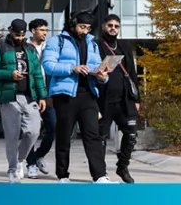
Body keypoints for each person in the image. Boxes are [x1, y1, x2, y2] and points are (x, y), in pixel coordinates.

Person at [42, 10, 115, 183]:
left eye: (88, 28)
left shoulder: (92, 43)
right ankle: (62, 174)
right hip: (65, 95)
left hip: (88, 94)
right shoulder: (56, 41)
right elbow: (48, 66)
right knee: (64, 135)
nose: (85, 31)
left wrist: (103, 76)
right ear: (73, 24)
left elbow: (97, 66)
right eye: (82, 27)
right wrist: (72, 68)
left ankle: (100, 175)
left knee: (93, 135)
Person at [0, 19, 47, 183]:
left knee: (33, 131)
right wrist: (9, 74)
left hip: (29, 97)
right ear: (10, 30)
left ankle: (20, 160)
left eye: (22, 35)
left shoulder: (30, 49)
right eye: (16, 34)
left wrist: (42, 96)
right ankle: (12, 169)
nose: (19, 37)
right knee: (12, 135)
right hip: (9, 97)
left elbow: (37, 75)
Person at [96, 14, 141, 184]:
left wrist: (137, 98)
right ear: (103, 26)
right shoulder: (97, 45)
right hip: (103, 99)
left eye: (116, 26)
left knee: (131, 134)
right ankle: (101, 173)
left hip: (125, 99)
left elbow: (132, 73)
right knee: (100, 137)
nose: (113, 28)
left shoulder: (124, 46)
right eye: (110, 25)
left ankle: (123, 167)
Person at [25, 18, 56, 179]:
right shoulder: (24, 47)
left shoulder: (50, 47)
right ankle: (30, 164)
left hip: (48, 94)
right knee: (30, 131)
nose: (45, 33)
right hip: (30, 94)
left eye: (46, 30)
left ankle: (39, 155)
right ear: (33, 31)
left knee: (53, 127)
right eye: (42, 30)